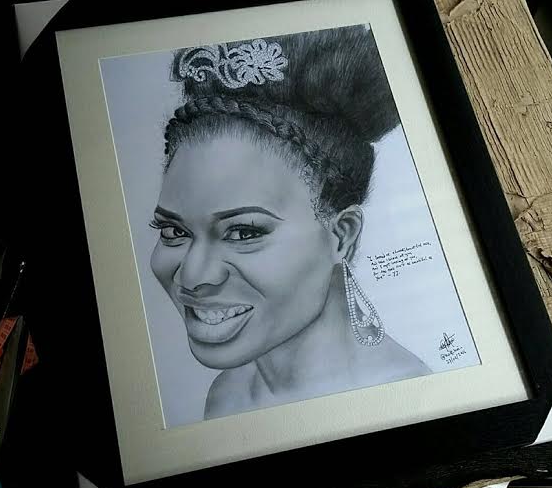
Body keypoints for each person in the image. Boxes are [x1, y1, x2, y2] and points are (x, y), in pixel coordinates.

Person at [149, 26, 429, 420]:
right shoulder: (226, 397)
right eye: (174, 231)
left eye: (243, 232)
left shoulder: (406, 397)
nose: (193, 277)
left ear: (342, 235)